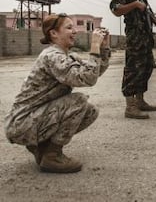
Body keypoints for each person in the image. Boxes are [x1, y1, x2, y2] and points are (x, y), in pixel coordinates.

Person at [4, 14, 110, 173]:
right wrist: (93, 47)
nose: (74, 31)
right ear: (53, 33)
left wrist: (103, 48)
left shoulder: (67, 56)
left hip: (33, 118)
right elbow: (87, 78)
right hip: (22, 123)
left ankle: (43, 149)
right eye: (69, 28)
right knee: (78, 101)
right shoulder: (52, 56)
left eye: (73, 27)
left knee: (90, 111)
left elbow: (94, 72)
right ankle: (52, 156)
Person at [110, 0, 156, 120]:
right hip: (134, 36)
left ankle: (140, 101)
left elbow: (147, 10)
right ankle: (130, 106)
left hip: (145, 36)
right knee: (133, 69)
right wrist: (135, 5)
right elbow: (115, 9)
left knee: (146, 68)